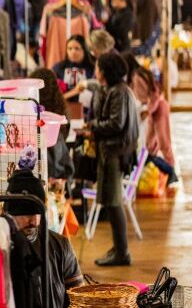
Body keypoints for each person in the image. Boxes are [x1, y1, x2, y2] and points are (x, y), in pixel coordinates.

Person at [85, 53, 139, 266]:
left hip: (115, 153)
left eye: (98, 68)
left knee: (114, 202)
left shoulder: (120, 93)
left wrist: (94, 128)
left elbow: (116, 123)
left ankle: (122, 252)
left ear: (106, 71)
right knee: (110, 201)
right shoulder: (109, 90)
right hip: (109, 152)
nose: (95, 72)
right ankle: (118, 248)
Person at [4, 170, 84, 306]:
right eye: (27, 214)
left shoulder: (60, 245)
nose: (34, 221)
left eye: (39, 213)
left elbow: (79, 297)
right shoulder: (0, 249)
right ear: (10, 214)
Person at [122, 52, 178, 184]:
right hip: (154, 108)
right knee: (151, 146)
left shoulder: (136, 76)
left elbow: (151, 95)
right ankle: (169, 171)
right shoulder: (139, 73)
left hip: (156, 108)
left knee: (163, 141)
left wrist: (148, 110)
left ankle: (171, 170)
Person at [30, 68, 73, 179]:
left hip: (35, 166)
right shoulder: (61, 109)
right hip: (58, 167)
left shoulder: (29, 108)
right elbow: (65, 134)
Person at [52, 35, 95, 101]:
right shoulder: (58, 68)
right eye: (69, 48)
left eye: (77, 48)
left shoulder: (93, 68)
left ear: (85, 50)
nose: (73, 52)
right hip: (63, 106)